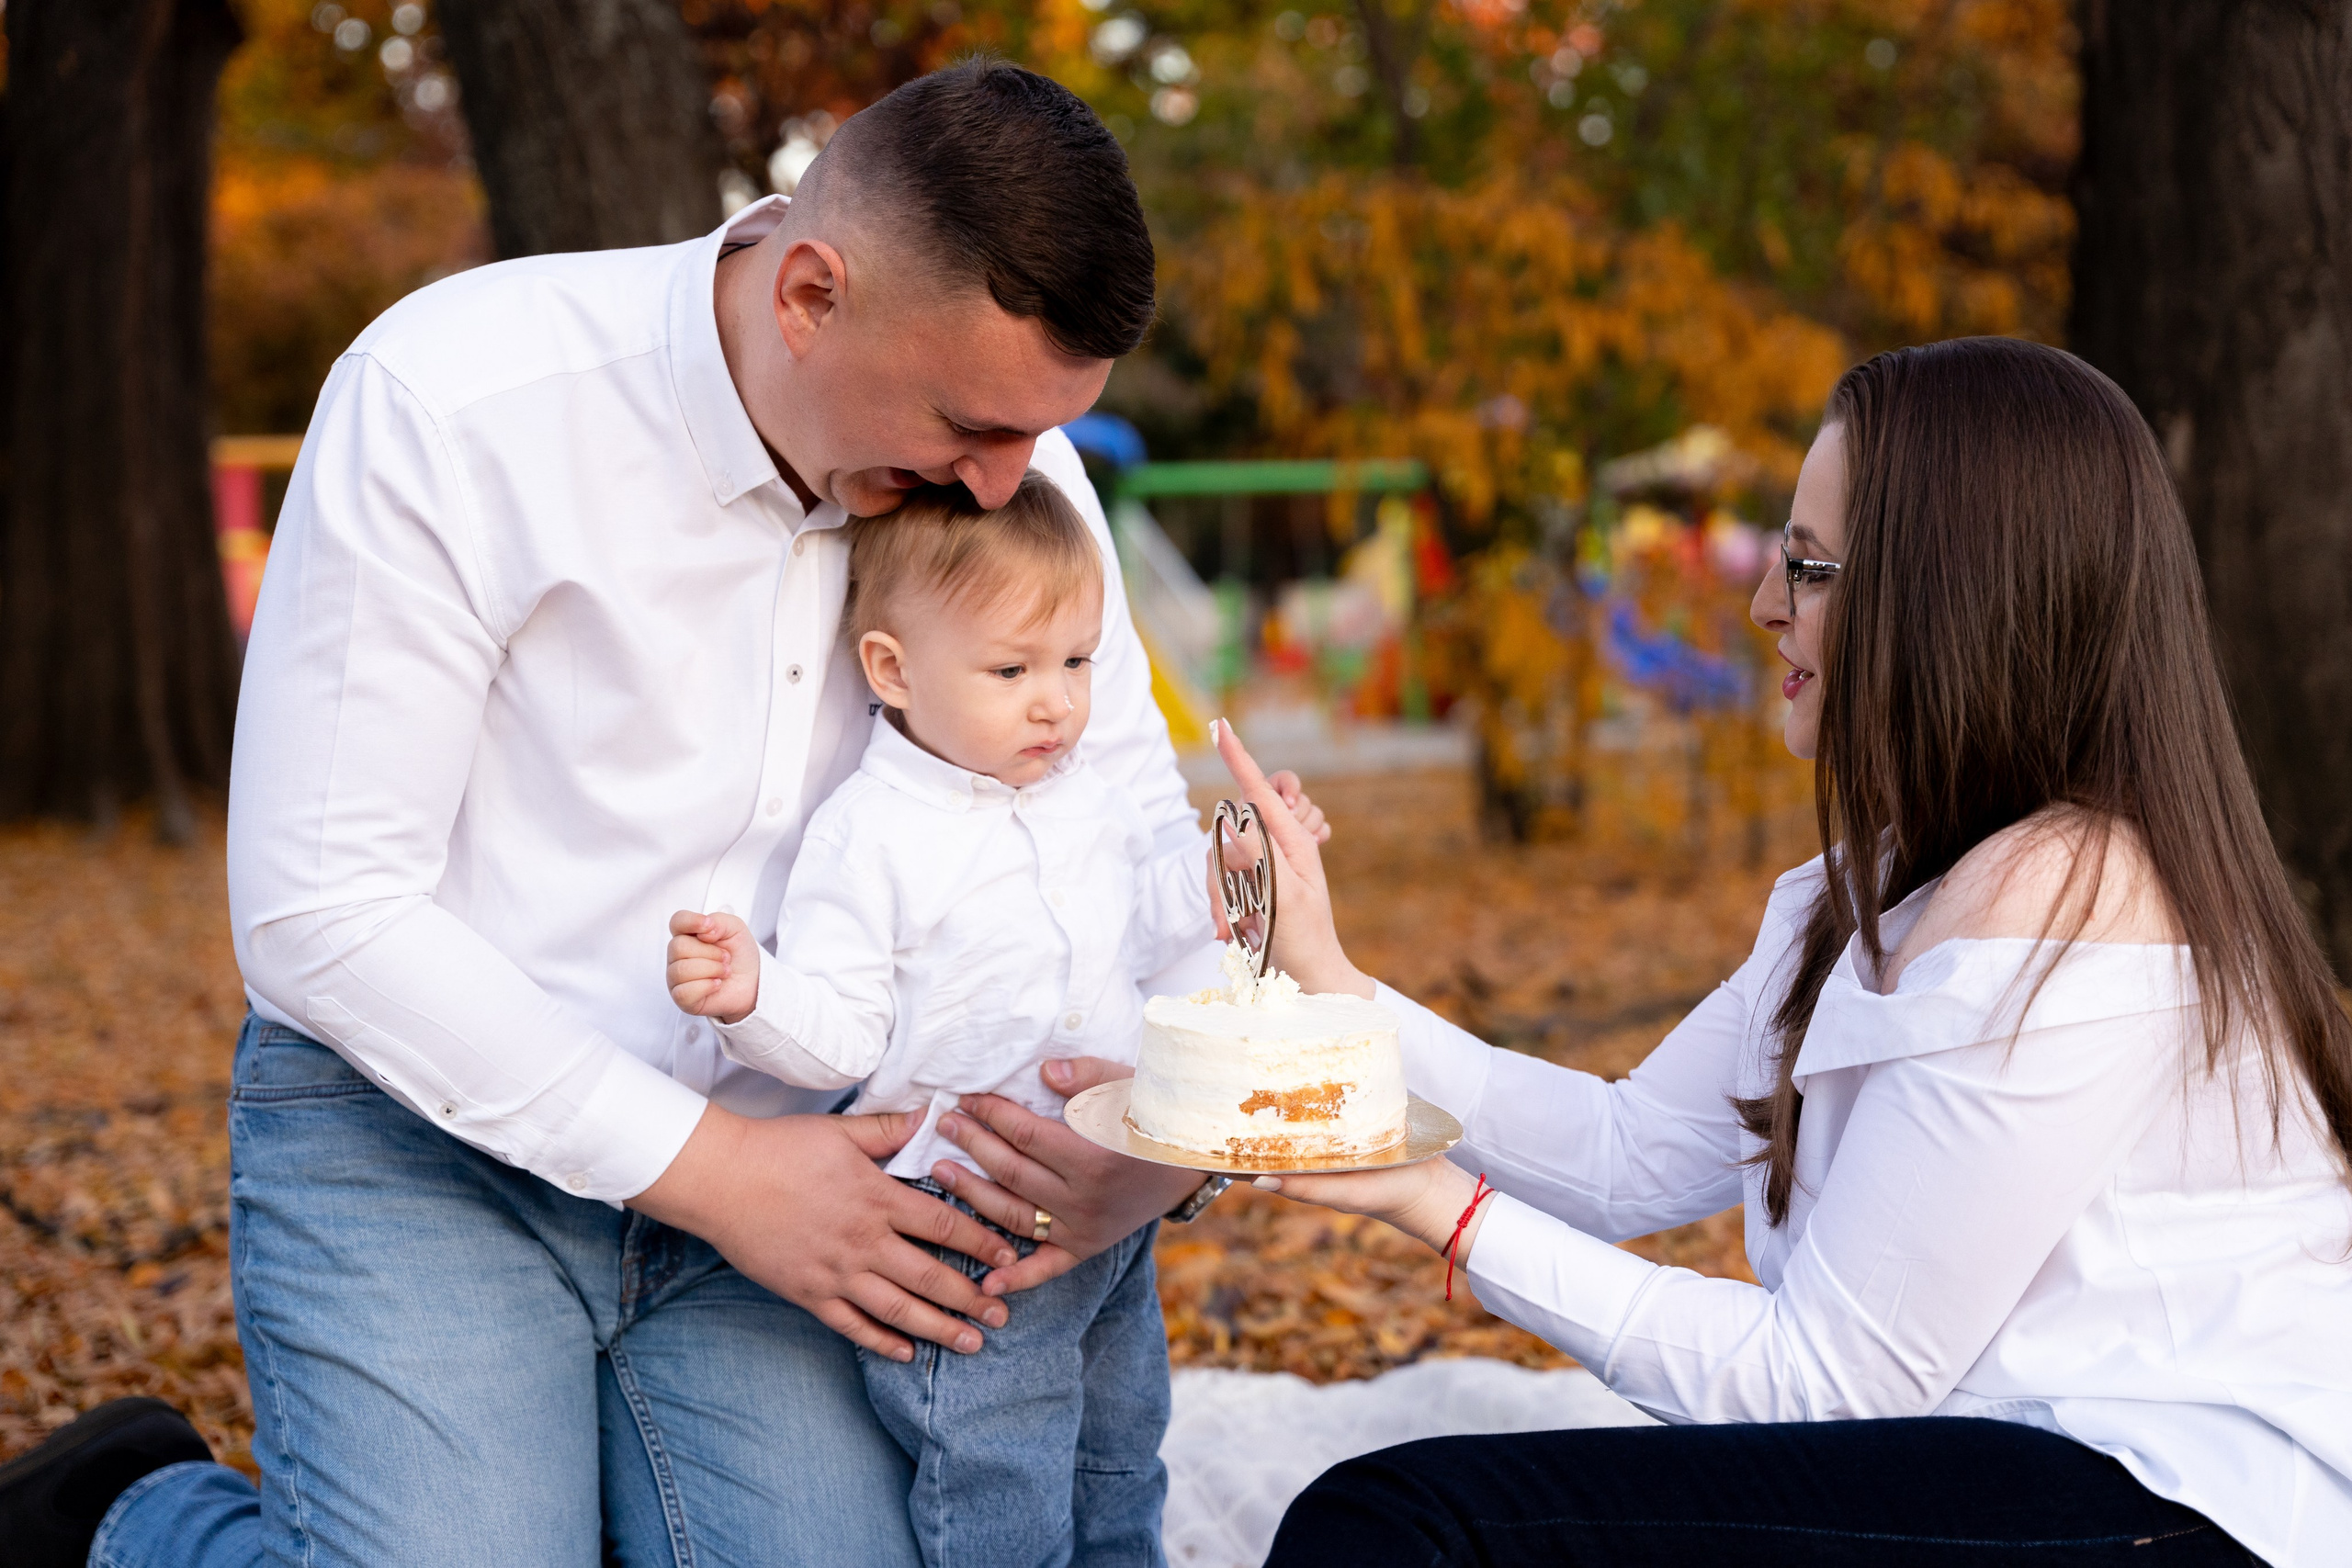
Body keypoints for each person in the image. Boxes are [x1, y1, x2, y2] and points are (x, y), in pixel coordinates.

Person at [0, 62, 1265, 1568]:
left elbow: (1119, 802)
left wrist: (1172, 1137)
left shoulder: (1012, 461)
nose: (1006, 486)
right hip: (427, 1143)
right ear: (809, 295)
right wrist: (722, 1177)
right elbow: (319, 914)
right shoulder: (452, 400)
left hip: (796, 1164)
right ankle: (129, 1514)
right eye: (970, 423)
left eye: (1038, 437)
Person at [1214, 338, 2352, 1566]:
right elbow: (1624, 1152)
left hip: (2176, 1499)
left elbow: (1821, 1384)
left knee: (1403, 1525)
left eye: (1805, 567)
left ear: (1950, 590)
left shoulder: (2068, 889)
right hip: (1999, 1460)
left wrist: (1441, 1205)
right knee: (1402, 1515)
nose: (1765, 605)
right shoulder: (1879, 882)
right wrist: (1323, 970)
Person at [665, 473, 1320, 1567]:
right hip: (965, 1224)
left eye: (1075, 662)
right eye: (1012, 670)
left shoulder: (1078, 798)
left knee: (1119, 1444)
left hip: (1104, 1200)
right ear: (893, 671)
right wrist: (753, 996)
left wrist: (1229, 862)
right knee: (998, 1474)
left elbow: (1146, 921)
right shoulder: (870, 836)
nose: (1056, 701)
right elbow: (843, 1034)